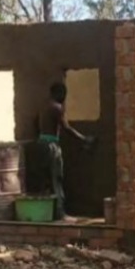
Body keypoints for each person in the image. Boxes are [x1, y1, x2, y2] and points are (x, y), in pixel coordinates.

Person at [33, 82, 94, 220]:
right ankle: (61, 214)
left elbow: (36, 124)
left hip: (41, 144)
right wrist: (84, 139)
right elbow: (66, 127)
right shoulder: (57, 107)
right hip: (51, 146)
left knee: (46, 181)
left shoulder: (43, 106)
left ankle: (45, 214)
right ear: (59, 94)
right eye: (64, 95)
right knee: (57, 179)